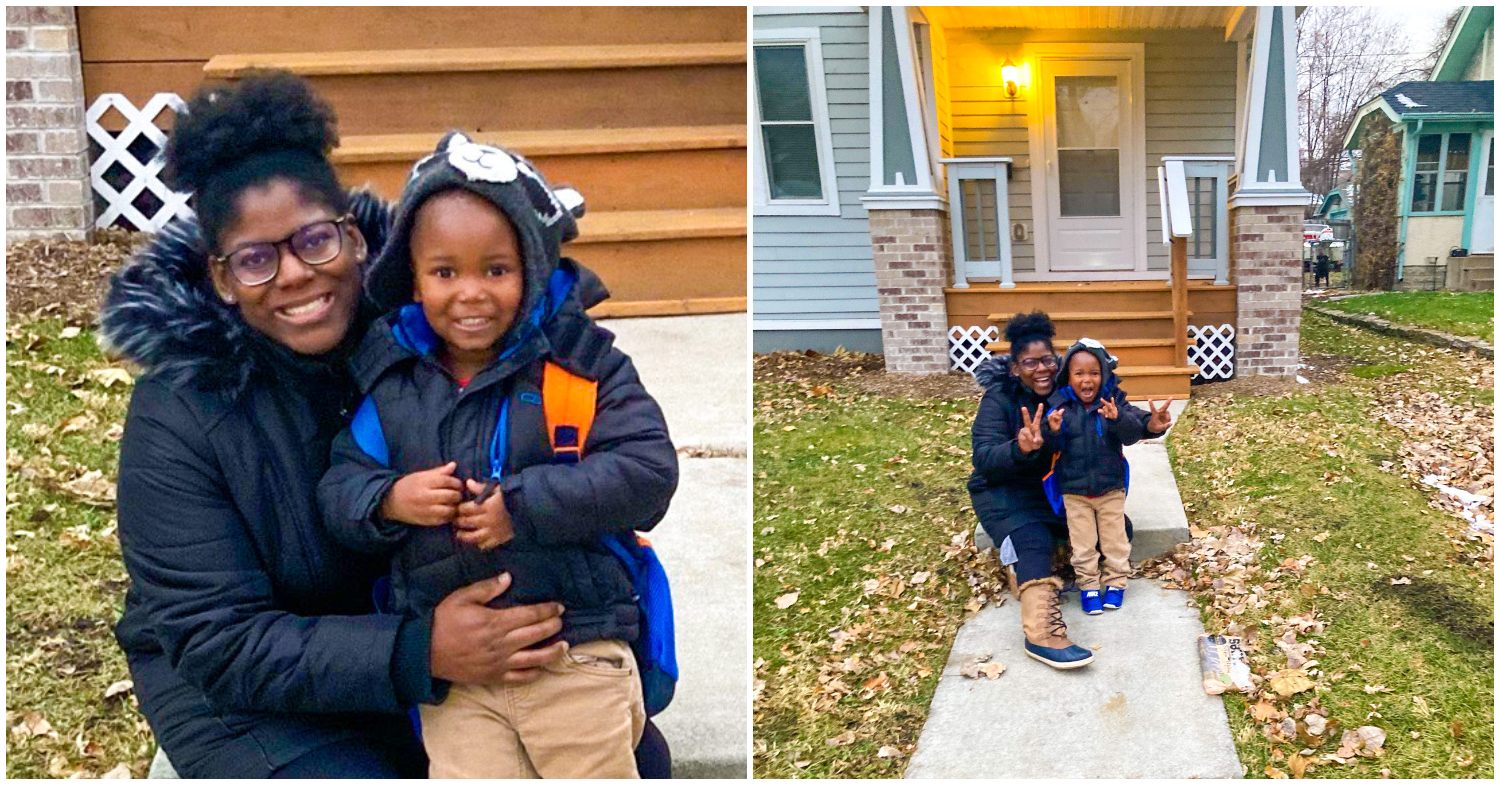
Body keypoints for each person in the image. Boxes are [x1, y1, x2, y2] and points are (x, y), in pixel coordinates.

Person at [98, 72, 669, 778]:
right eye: (254, 259)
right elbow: (218, 640)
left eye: (314, 240)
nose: (295, 275)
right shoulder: (177, 411)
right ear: (220, 278)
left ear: (353, 236)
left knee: (637, 754)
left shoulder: (421, 325)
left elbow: (549, 358)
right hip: (253, 695)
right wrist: (417, 649)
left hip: (432, 631)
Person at [318, 132, 678, 778]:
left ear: (531, 267)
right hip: (460, 684)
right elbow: (340, 487)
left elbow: (649, 472)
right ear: (412, 277)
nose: (471, 293)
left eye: (496, 269)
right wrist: (391, 499)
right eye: (445, 272)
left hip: (576, 650)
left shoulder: (581, 367)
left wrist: (523, 505)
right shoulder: (392, 383)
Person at [967, 313, 1170, 670]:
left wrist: (1149, 426)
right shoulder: (999, 399)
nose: (1041, 369)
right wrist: (1021, 447)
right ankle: (1041, 633)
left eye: (1047, 359)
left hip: (1058, 491)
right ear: (1015, 368)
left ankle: (1030, 566)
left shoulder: (1069, 394)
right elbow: (985, 459)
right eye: (1030, 363)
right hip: (1006, 492)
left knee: (1120, 530)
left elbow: (1123, 417)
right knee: (1034, 542)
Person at [1042, 338, 1170, 616]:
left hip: (1110, 489)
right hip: (1074, 492)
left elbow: (1133, 431)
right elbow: (1048, 449)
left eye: (1094, 373)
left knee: (1115, 540)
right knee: (1083, 543)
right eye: (1079, 373)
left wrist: (1127, 420)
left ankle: (1116, 582)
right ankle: (1088, 585)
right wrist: (1050, 431)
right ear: (1068, 376)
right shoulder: (1059, 406)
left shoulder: (1113, 402)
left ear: (1104, 375)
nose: (1087, 380)